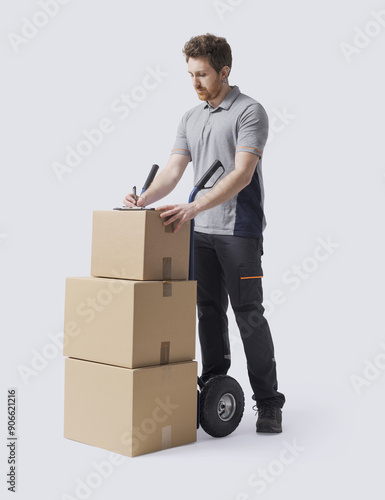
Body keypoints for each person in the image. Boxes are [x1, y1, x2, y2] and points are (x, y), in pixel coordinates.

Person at [123, 33, 285, 433]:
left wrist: (193, 206)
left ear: (225, 71)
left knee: (249, 315)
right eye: (191, 74)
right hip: (201, 233)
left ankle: (268, 403)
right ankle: (216, 387)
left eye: (203, 74)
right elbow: (175, 171)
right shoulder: (190, 118)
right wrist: (143, 199)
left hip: (238, 232)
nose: (195, 83)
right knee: (208, 313)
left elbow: (242, 173)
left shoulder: (250, 112)